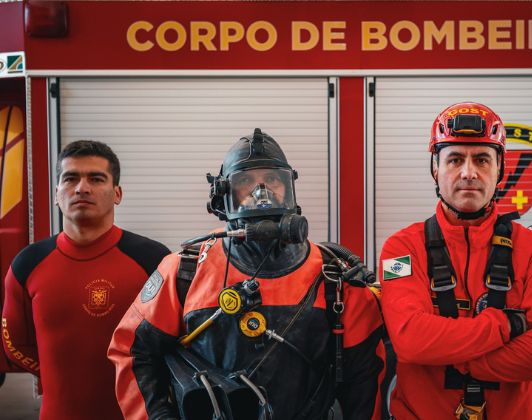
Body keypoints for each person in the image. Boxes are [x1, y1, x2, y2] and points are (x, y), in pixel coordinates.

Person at [108, 128, 385, 420]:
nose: (261, 192)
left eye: (273, 180)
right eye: (246, 182)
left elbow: (364, 377)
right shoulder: (184, 271)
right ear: (223, 196)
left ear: (290, 189)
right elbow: (132, 350)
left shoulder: (335, 279)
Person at [379, 102, 532, 419]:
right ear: (435, 169)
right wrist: (506, 325)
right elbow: (410, 340)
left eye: (482, 160)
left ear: (500, 170)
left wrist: (460, 359)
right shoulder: (401, 250)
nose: (468, 172)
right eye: (455, 159)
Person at [2, 140, 170, 420]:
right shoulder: (27, 264)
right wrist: (59, 376)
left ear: (117, 194)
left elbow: (176, 340)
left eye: (96, 178)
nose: (82, 188)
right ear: (57, 194)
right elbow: (14, 344)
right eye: (70, 178)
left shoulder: (154, 260)